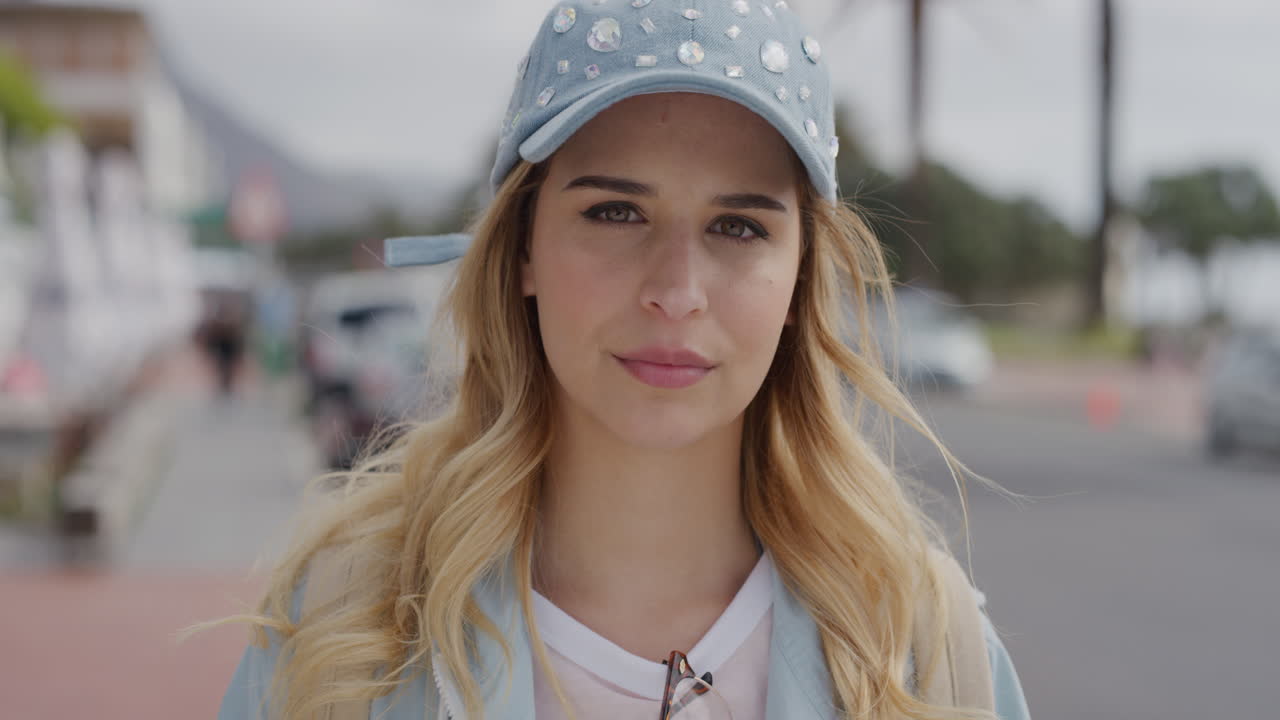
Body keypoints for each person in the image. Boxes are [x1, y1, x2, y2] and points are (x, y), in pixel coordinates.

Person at [218, 2, 1031, 719]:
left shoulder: (921, 648)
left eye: (739, 226)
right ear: (523, 249)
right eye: (615, 211)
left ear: (800, 277)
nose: (676, 291)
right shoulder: (340, 633)